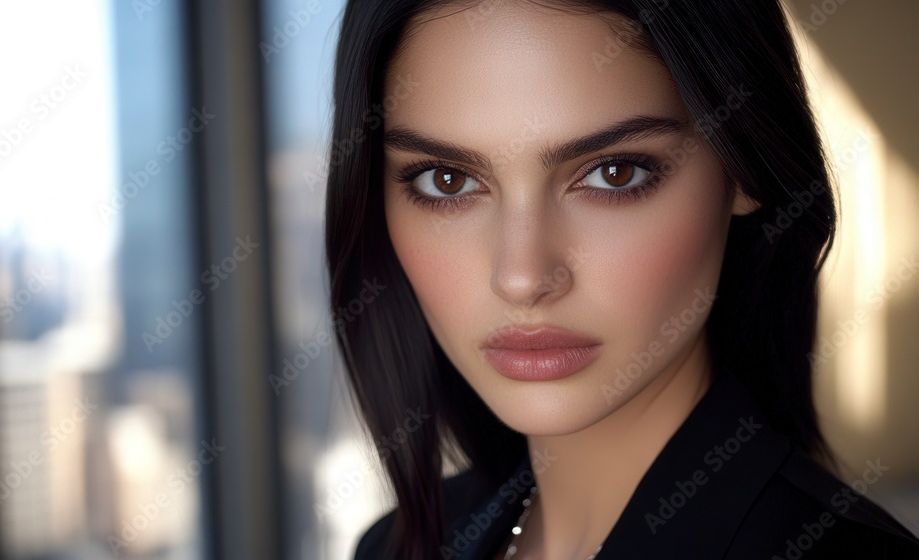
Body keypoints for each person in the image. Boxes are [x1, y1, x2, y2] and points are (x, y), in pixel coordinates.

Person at [323, 1, 919, 558]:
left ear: (744, 170)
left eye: (614, 173)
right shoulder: (398, 545)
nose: (523, 278)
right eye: (445, 181)